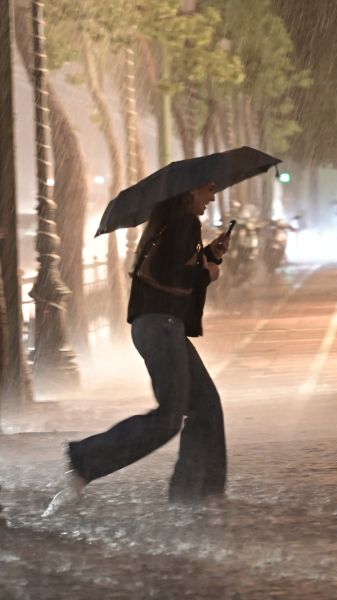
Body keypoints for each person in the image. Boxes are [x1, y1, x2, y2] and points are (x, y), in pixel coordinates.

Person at [44, 183, 231, 514]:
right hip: (162, 327)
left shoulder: (170, 223)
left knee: (206, 405)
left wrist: (210, 255)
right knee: (170, 418)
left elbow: (171, 265)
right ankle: (86, 460)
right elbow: (171, 274)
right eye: (208, 190)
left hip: (156, 326)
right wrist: (209, 274)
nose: (212, 197)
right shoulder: (186, 222)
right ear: (190, 191)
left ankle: (198, 491)